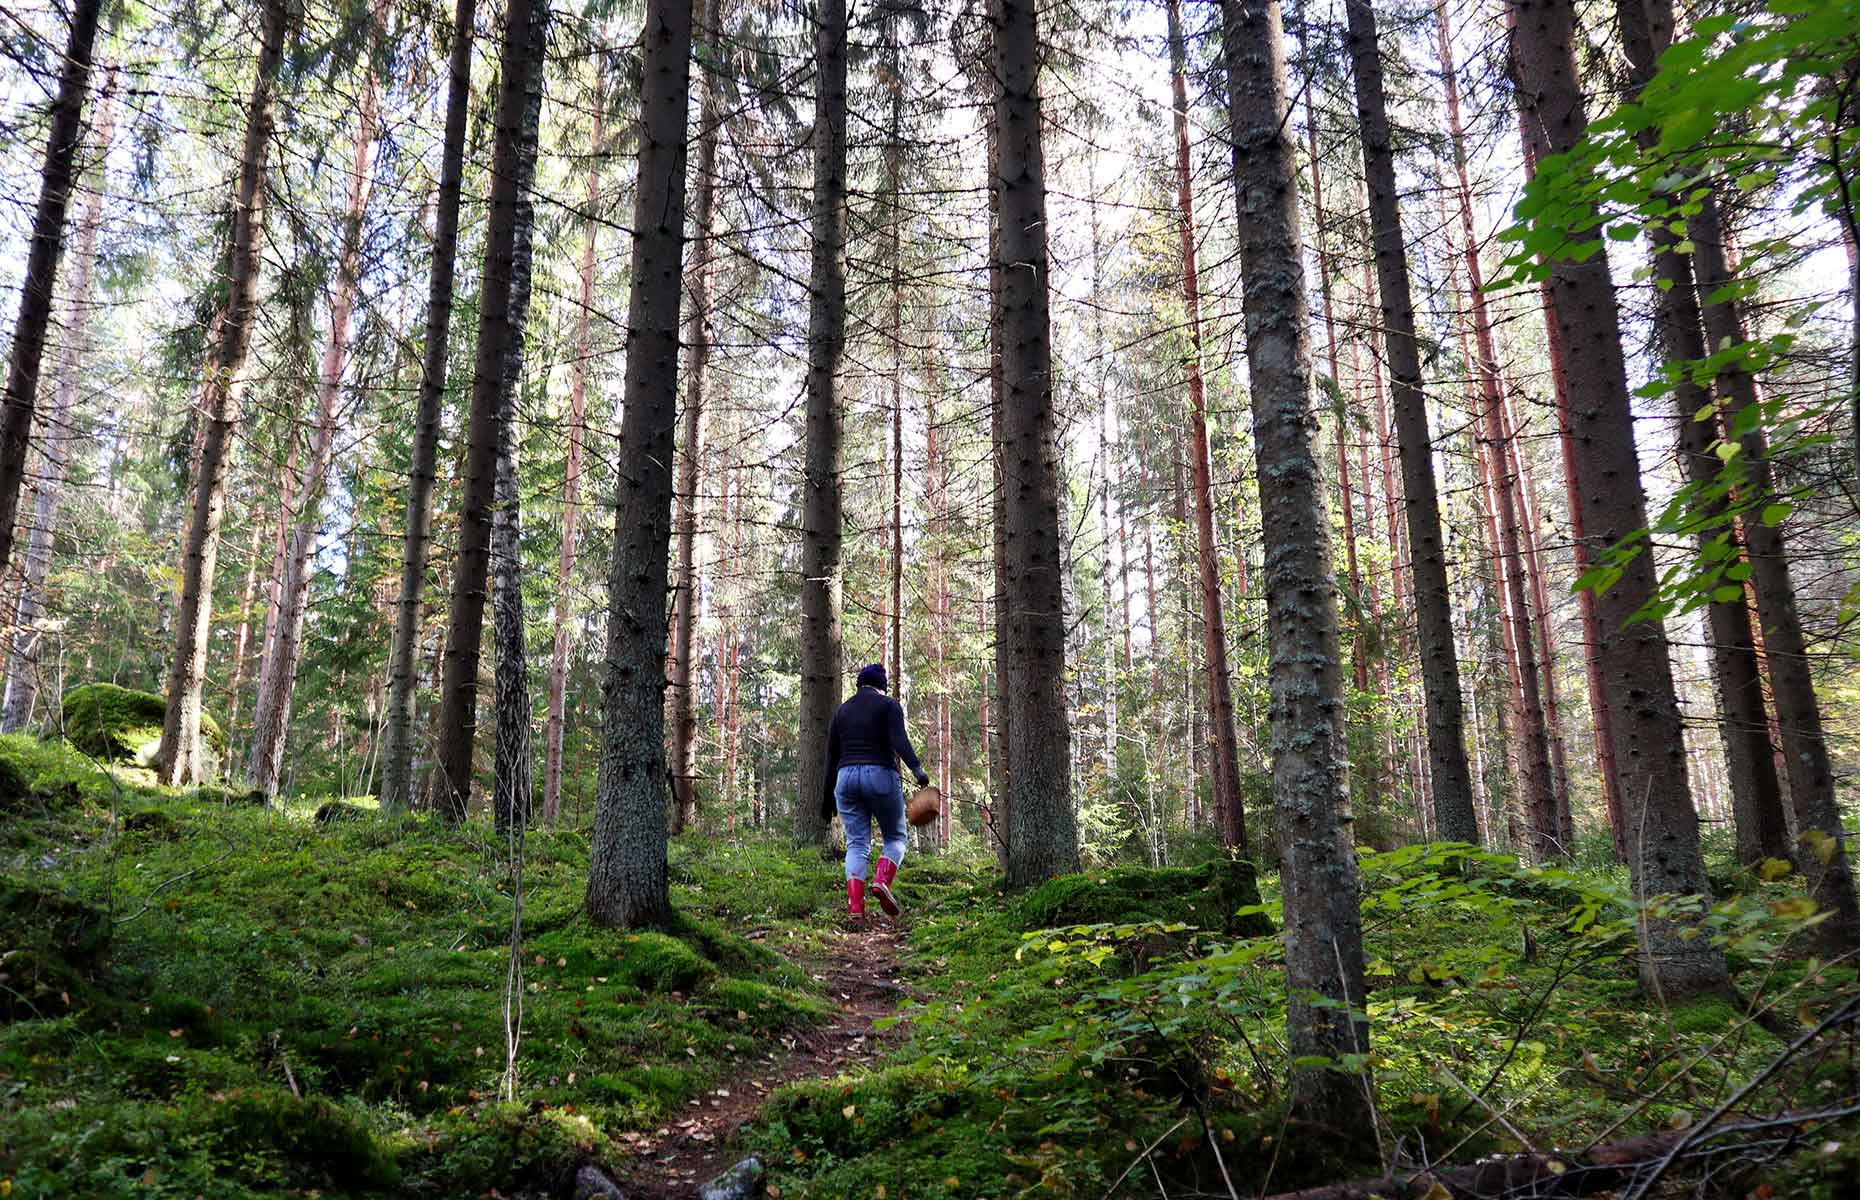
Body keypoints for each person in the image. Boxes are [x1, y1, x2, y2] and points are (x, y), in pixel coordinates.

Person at [818, 663, 929, 920]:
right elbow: (899, 739)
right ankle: (882, 880)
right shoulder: (888, 705)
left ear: (860, 685)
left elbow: (831, 757)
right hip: (879, 774)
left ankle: (856, 908)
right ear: (882, 686)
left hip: (845, 780)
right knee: (896, 837)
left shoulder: (842, 711)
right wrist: (917, 770)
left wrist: (826, 799)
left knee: (857, 844)